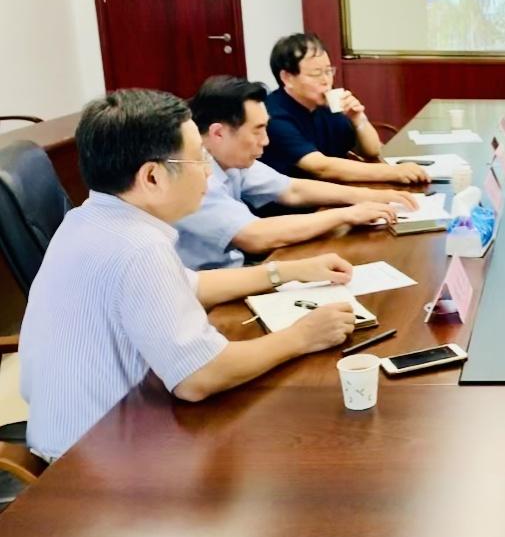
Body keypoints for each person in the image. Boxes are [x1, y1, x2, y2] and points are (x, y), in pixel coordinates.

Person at [19, 89, 358, 460]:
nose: (209, 172)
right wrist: (303, 336)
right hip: (97, 458)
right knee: (293, 445)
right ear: (152, 177)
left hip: (81, 433)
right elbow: (199, 377)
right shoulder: (139, 247)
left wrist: (288, 271)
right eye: (199, 158)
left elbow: (191, 284)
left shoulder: (90, 218)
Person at [175, 75, 421, 269]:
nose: (266, 140)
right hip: (204, 294)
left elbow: (292, 189)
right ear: (218, 133)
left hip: (235, 269)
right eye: (257, 130)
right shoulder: (193, 174)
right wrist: (347, 215)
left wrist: (372, 196)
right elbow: (255, 236)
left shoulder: (228, 159)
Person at [259, 32, 428, 184]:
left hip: (336, 192)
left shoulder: (325, 104)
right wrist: (392, 172)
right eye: (316, 73)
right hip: (297, 204)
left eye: (328, 71)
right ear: (287, 78)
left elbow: (372, 150)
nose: (326, 80)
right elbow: (321, 167)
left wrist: (358, 119)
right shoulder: (272, 116)